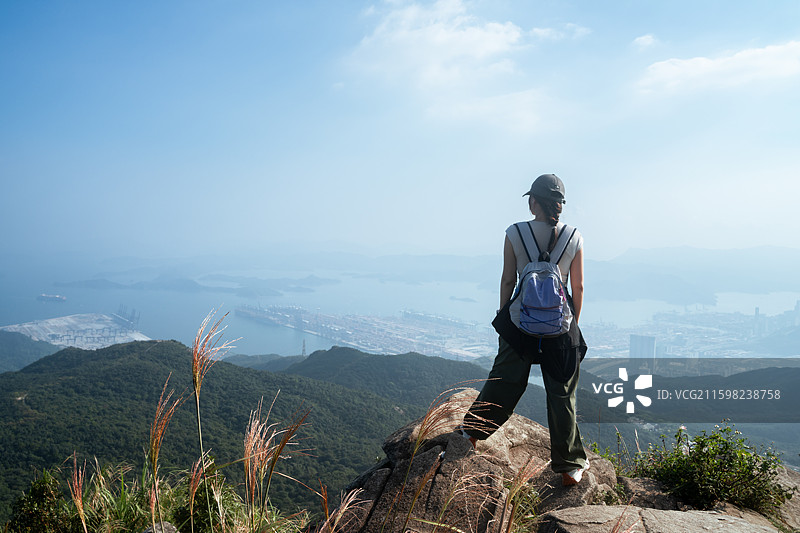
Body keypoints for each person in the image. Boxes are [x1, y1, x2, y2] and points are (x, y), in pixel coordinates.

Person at [461, 173, 589, 486]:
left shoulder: (515, 232)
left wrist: (504, 316)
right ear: (559, 205)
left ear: (534, 203)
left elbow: (508, 280)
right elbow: (579, 286)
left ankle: (471, 433)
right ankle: (570, 466)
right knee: (562, 392)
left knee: (505, 380)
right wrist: (572, 323)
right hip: (561, 329)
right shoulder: (575, 237)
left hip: (521, 324)